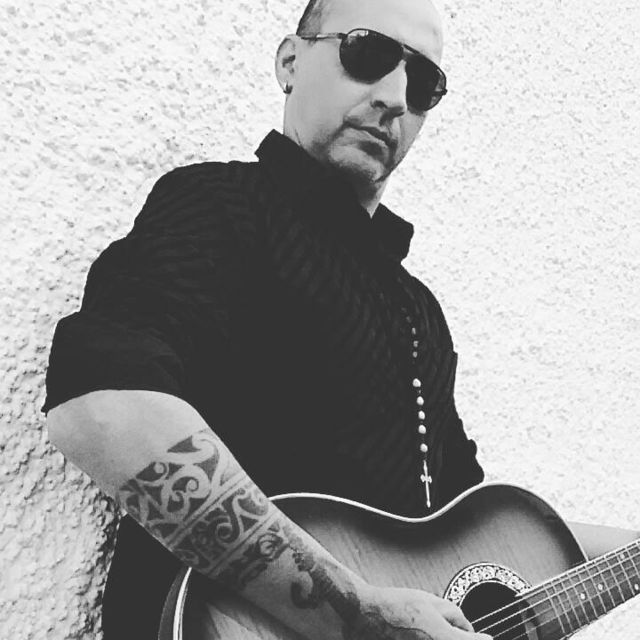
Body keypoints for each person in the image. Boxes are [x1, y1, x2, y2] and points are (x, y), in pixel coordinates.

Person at [42, 0, 637, 638]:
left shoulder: (417, 309)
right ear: (289, 63)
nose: (395, 97)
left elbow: (477, 527)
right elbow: (102, 410)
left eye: (423, 82)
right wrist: (355, 613)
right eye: (368, 53)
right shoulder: (222, 207)